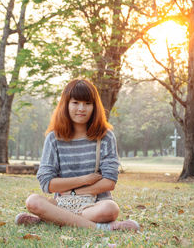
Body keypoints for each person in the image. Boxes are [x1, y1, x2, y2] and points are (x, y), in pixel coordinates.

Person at [15, 79, 139, 231]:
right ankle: (101, 228)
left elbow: (109, 182)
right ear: (66, 105)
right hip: (61, 202)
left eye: (88, 103)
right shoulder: (54, 138)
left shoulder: (105, 137)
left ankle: (51, 218)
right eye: (75, 102)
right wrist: (85, 179)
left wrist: (74, 192)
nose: (81, 108)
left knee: (111, 209)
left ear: (95, 107)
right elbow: (47, 183)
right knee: (33, 201)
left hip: (95, 205)